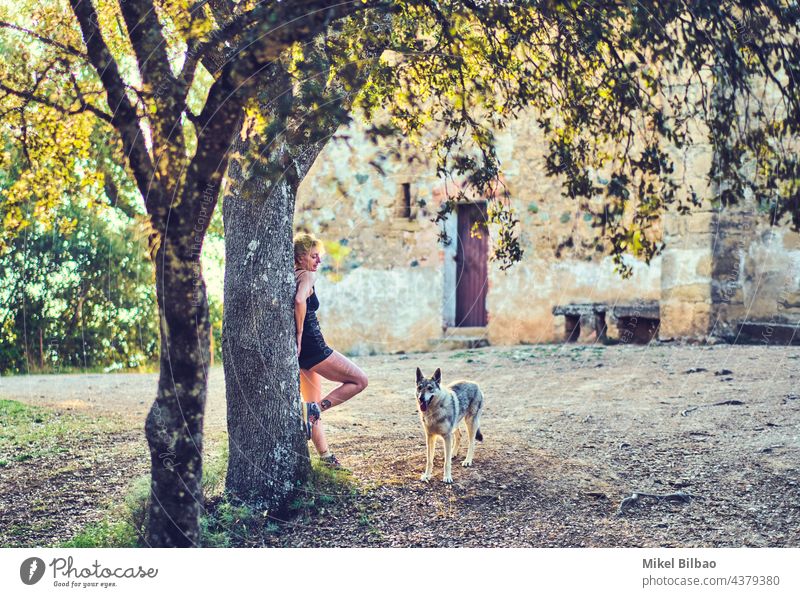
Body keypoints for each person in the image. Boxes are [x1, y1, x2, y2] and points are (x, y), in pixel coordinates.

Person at [294, 232, 368, 468]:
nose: (319, 261)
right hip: (314, 348)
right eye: (314, 256)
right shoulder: (307, 275)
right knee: (359, 380)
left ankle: (326, 458)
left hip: (301, 354)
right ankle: (318, 408)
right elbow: (299, 301)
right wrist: (298, 334)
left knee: (310, 405)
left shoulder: (291, 275)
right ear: (302, 257)